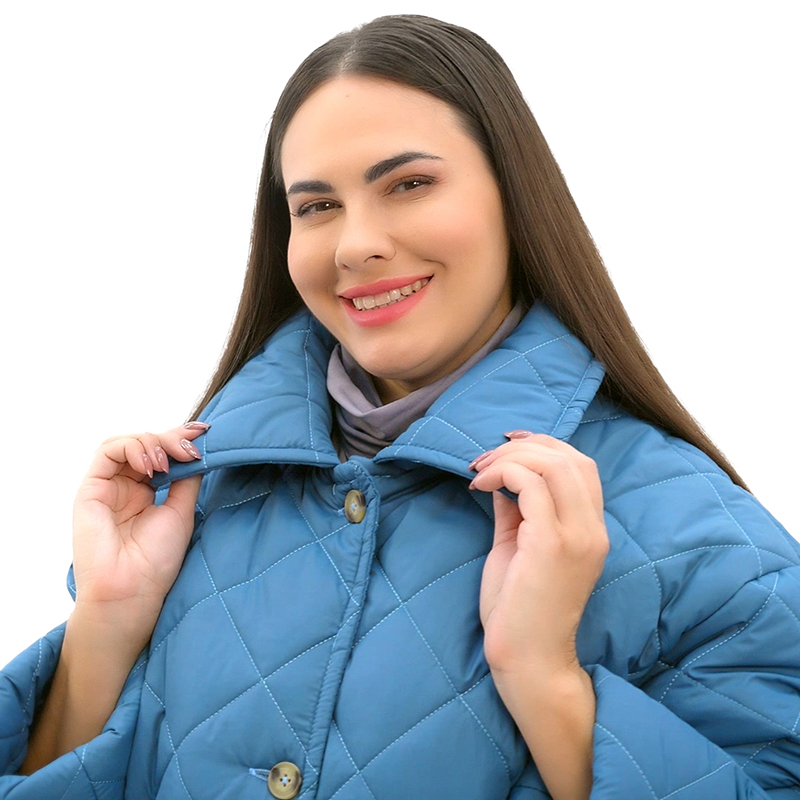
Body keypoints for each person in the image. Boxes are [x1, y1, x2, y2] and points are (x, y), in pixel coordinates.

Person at [1, 13, 798, 800]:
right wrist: (106, 624)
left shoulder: (702, 538)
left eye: (409, 185)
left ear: (514, 197)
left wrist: (544, 677)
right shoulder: (194, 498)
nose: (355, 245)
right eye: (316, 207)